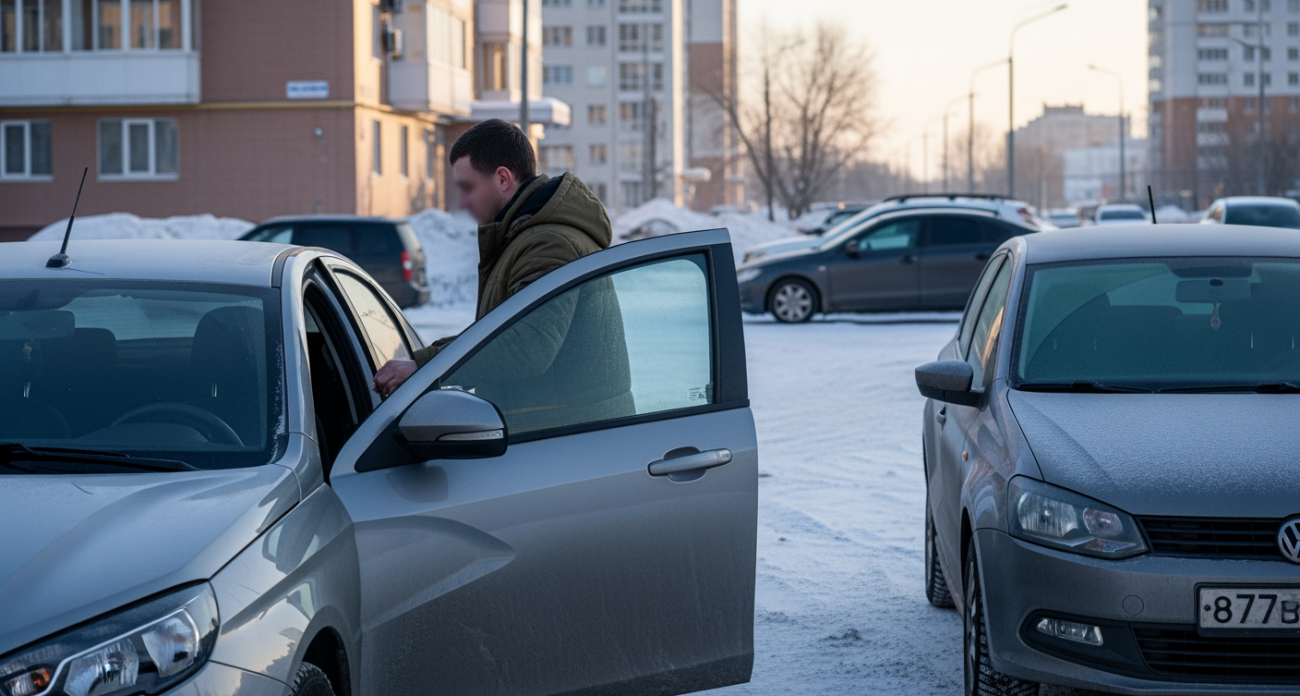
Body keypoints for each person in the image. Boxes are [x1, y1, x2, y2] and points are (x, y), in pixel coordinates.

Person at [371, 118, 612, 397]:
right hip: (554, 425)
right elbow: (503, 334)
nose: (462, 203)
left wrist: (425, 366)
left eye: (468, 188)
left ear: (502, 179)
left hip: (562, 432)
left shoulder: (547, 243)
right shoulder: (522, 237)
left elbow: (527, 346)